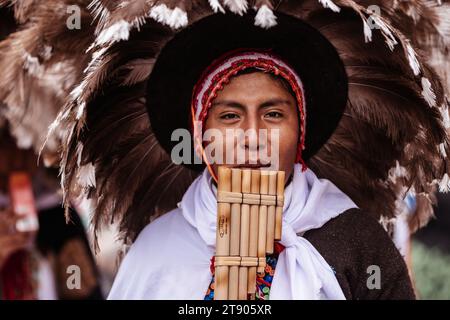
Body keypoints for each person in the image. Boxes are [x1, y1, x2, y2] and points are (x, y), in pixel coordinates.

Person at [49, 1, 450, 299]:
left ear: (301, 132)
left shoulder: (354, 240)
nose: (253, 135)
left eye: (274, 114)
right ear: (201, 137)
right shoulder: (158, 249)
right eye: (229, 117)